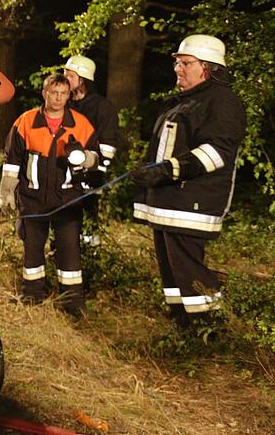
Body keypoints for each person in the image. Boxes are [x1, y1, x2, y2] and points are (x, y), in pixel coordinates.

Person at [131, 35, 245, 328]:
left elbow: (216, 153)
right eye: (177, 63)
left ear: (208, 68)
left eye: (185, 63)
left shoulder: (223, 102)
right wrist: (148, 174)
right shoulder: (181, 102)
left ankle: (209, 331)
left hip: (192, 202)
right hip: (169, 201)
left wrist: (167, 171)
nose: (178, 69)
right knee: (172, 271)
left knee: (189, 269)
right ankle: (181, 324)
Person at [0, 73, 100, 315]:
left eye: (63, 93)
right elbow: (12, 161)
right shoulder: (25, 122)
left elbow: (96, 157)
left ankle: (72, 303)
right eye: (53, 92)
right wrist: (7, 192)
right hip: (32, 199)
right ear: (44, 93)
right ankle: (32, 296)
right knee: (32, 249)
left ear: (69, 96)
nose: (58, 98)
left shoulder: (80, 124)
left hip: (67, 200)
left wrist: (86, 158)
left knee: (69, 252)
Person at [63, 55, 122, 246]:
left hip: (90, 175)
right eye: (65, 74)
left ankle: (90, 253)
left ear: (83, 79)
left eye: (70, 76)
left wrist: (96, 169)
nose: (65, 79)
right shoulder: (64, 105)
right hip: (63, 174)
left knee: (87, 220)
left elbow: (108, 145)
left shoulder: (102, 108)